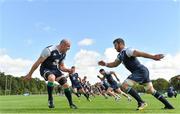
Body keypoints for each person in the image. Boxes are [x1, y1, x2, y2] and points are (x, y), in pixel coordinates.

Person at [98, 38, 174, 110]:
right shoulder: (120, 55)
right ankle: (169, 105)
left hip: (140, 71)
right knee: (150, 90)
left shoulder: (127, 50)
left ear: (120, 44)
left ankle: (141, 102)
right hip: (143, 71)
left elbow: (138, 53)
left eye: (115, 45)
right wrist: (105, 64)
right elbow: (115, 64)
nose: (114, 48)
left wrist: (153, 56)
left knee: (124, 86)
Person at [24, 39, 77, 109]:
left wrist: (68, 70)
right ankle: (50, 100)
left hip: (55, 70)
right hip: (45, 69)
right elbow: (38, 62)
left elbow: (61, 67)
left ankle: (71, 104)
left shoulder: (64, 54)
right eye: (68, 47)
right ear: (63, 45)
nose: (69, 49)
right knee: (52, 78)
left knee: (66, 85)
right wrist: (30, 74)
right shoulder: (49, 50)